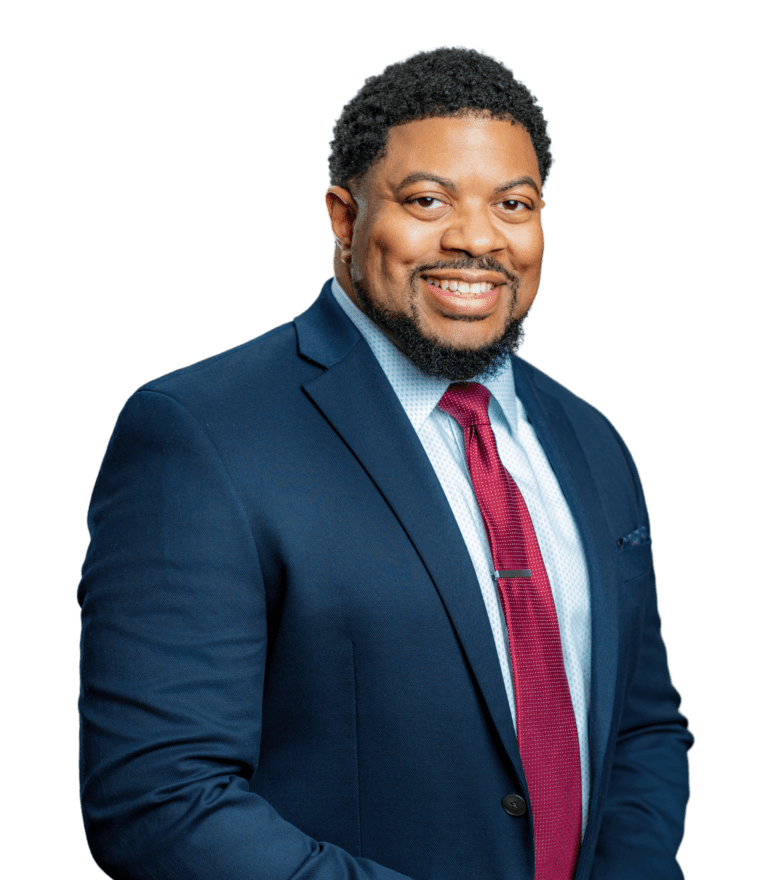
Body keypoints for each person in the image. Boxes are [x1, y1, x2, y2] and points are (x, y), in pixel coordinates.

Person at [77, 46, 693, 880]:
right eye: (427, 199)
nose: (477, 239)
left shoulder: (592, 441)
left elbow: (641, 728)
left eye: (513, 203)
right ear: (343, 216)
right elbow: (158, 799)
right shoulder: (199, 433)